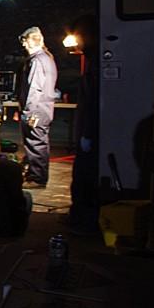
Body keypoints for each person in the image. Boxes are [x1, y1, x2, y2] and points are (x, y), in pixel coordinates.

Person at [67, 14, 100, 234]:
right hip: (87, 130)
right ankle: (79, 216)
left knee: (85, 178)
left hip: (91, 131)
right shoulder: (91, 59)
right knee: (81, 176)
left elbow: (94, 100)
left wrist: (87, 133)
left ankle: (84, 221)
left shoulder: (95, 62)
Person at [17, 26, 58, 189]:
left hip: (37, 111)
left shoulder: (36, 61)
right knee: (39, 143)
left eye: (25, 42)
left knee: (36, 144)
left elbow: (34, 89)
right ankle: (36, 174)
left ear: (32, 41)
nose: (24, 46)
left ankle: (37, 178)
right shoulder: (47, 58)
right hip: (43, 110)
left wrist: (29, 113)